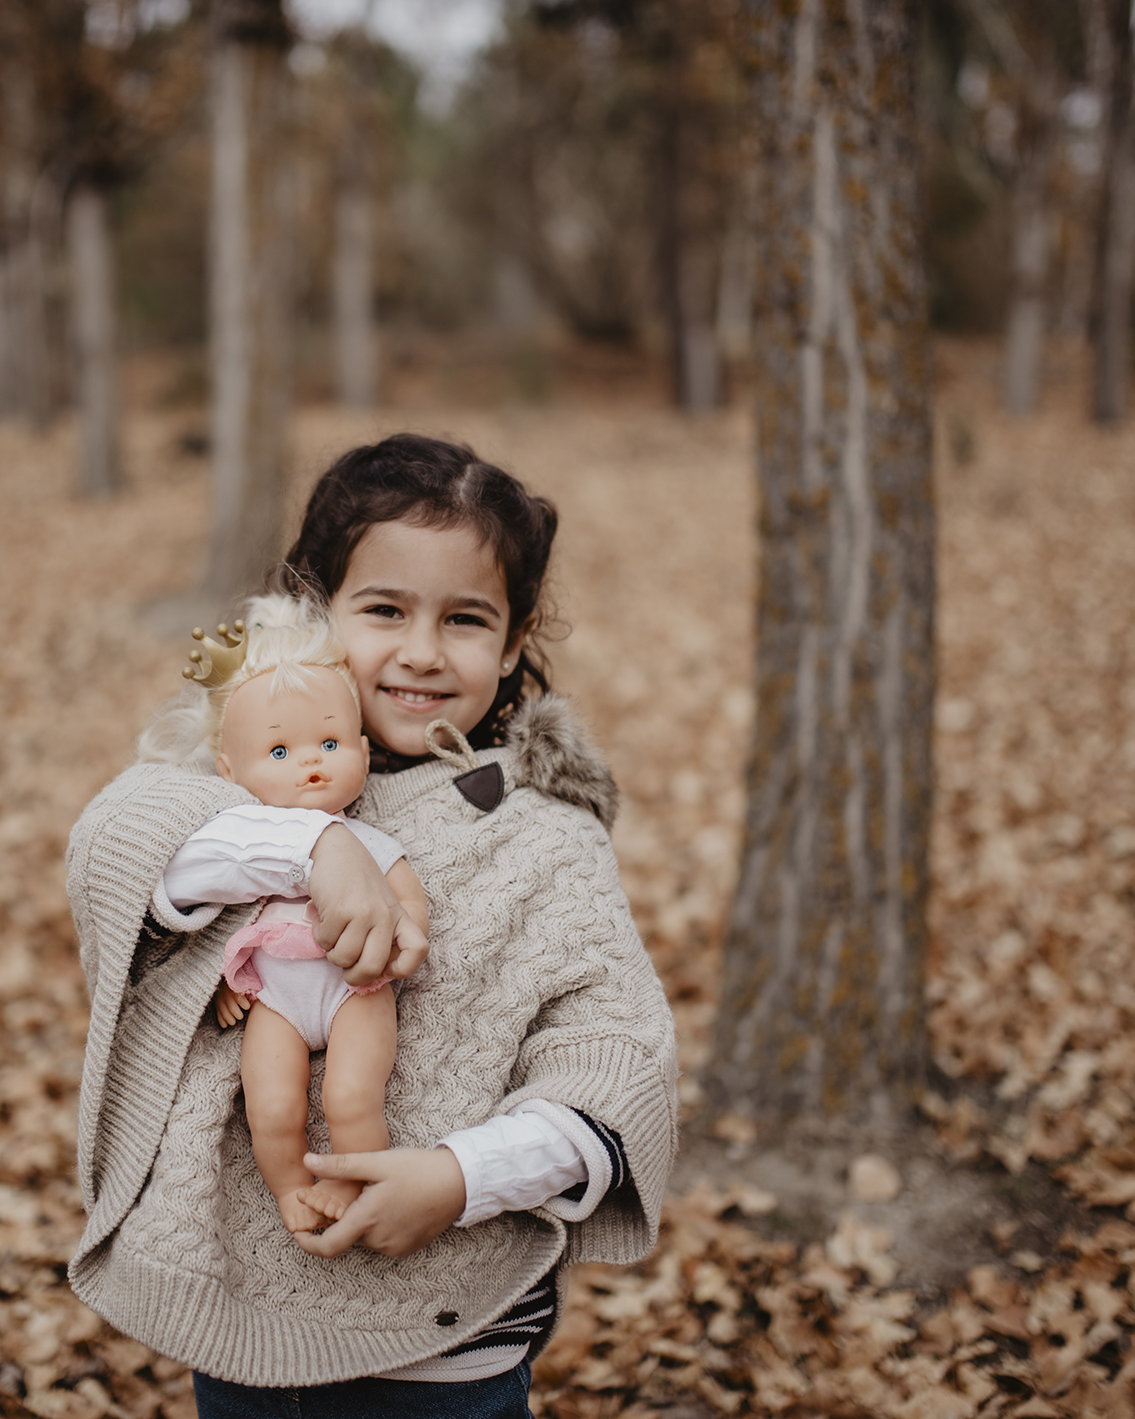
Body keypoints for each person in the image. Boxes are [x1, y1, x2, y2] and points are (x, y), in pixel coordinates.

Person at [65, 434, 678, 1416]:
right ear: (317, 615)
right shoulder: (234, 776)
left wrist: (459, 1177)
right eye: (384, 610)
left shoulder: (543, 836)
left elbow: (612, 1059)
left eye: (466, 620)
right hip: (245, 1315)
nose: (421, 652)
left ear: (514, 642)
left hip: (445, 1348)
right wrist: (316, 849)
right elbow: (117, 845)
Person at [164, 595, 431, 1234]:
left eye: (331, 741)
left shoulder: (371, 848)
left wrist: (407, 930)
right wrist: (230, 986)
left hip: (356, 986)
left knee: (351, 1094)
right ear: (230, 772)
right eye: (279, 753)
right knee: (273, 1102)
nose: (310, 762)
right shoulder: (245, 851)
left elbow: (406, 899)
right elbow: (222, 928)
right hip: (277, 999)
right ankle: (289, 1188)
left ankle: (351, 1175)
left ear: (364, 754)